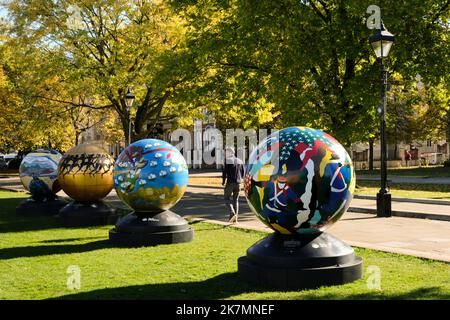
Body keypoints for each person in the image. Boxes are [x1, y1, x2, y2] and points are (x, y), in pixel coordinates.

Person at [222, 146, 245, 223]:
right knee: (236, 200)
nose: (225, 153)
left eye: (226, 152)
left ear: (230, 152)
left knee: (226, 198)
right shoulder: (240, 161)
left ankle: (232, 213)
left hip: (230, 183)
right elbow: (243, 173)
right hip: (238, 183)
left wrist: (223, 181)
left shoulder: (227, 161)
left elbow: (224, 172)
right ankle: (235, 219)